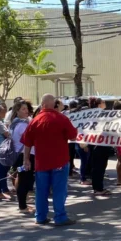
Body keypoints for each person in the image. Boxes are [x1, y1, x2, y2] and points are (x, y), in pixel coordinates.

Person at [21, 94, 78, 226]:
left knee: (41, 190)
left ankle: (40, 217)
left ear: (42, 105)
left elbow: (27, 142)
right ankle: (60, 217)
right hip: (59, 161)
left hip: (41, 162)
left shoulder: (35, 120)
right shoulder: (61, 118)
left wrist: (26, 159)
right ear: (54, 105)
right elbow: (73, 136)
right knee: (59, 190)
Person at [88, 97, 113, 196]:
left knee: (99, 167)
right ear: (99, 105)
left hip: (100, 143)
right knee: (99, 167)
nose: (105, 103)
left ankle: (98, 187)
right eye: (103, 102)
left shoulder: (96, 114)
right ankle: (98, 188)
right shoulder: (99, 115)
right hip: (99, 144)